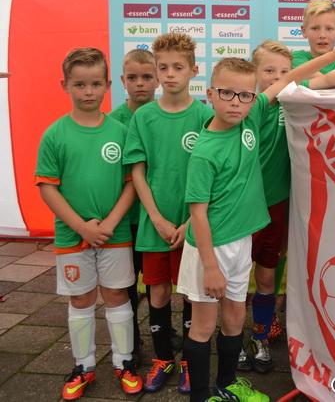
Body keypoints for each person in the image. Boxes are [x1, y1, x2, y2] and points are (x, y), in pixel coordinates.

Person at [179, 31, 335, 402]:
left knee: (233, 319)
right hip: (210, 249)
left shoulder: (253, 116)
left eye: (244, 95)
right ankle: (200, 396)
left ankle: (227, 386)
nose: (236, 102)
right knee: (204, 326)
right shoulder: (204, 151)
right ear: (210, 94)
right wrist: (209, 266)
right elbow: (197, 213)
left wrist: (334, 55)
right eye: (227, 93)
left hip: (240, 242)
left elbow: (290, 77)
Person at [36, 48, 142, 399]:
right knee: (81, 298)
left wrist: (110, 222)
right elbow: (48, 187)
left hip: (115, 234)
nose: (88, 91)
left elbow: (131, 183)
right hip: (72, 235)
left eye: (96, 84)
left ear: (108, 85)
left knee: (116, 295)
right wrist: (82, 227)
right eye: (79, 84)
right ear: (65, 85)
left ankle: (124, 362)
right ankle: (83, 366)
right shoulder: (55, 134)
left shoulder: (120, 131)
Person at [124, 32, 212, 393]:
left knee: (193, 294)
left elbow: (215, 175)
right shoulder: (144, 117)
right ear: (157, 71)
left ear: (194, 70)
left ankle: (191, 362)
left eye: (178, 67)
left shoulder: (206, 115)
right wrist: (157, 218)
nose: (170, 74)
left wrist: (190, 221)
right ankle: (163, 359)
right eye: (164, 68)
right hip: (154, 225)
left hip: (193, 225)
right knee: (158, 293)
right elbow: (137, 172)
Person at [109, 48, 159, 365]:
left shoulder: (165, 116)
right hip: (127, 220)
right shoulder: (113, 123)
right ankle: (131, 341)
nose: (140, 83)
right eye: (133, 77)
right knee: (127, 285)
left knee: (157, 284)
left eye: (146, 77)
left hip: (155, 219)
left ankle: (162, 332)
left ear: (157, 79)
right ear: (122, 80)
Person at [293, 0, 335, 75]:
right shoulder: (296, 58)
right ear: (304, 31)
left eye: (329, 29)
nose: (322, 35)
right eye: (315, 28)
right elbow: (320, 79)